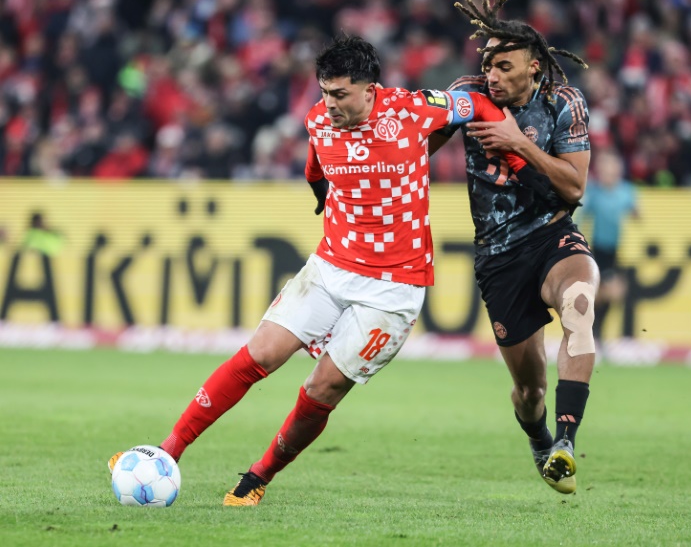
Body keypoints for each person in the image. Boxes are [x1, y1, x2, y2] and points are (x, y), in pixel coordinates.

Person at [109, 34, 531, 506]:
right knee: (261, 353)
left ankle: (259, 476)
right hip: (332, 264)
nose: (328, 104)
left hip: (393, 287)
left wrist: (515, 152)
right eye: (324, 92)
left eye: (340, 94)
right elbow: (315, 167)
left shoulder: (412, 111)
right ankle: (167, 452)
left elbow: (474, 102)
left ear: (370, 90)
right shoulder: (317, 120)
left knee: (322, 387)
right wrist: (319, 198)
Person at [428, 0, 599, 494]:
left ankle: (567, 443)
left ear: (535, 68)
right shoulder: (468, 94)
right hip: (498, 258)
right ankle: (541, 439)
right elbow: (422, 146)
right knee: (529, 389)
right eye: (488, 64)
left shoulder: (564, 102)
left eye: (505, 66)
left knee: (580, 304)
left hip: (551, 237)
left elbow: (573, 187)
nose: (492, 74)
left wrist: (519, 142)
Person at [580, 149, 638, 349]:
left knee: (611, 294)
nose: (607, 171)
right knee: (612, 291)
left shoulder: (626, 191)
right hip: (598, 249)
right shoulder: (594, 192)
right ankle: (596, 334)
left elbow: (636, 212)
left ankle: (595, 333)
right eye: (604, 167)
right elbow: (581, 216)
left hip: (617, 250)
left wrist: (636, 215)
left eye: (611, 167)